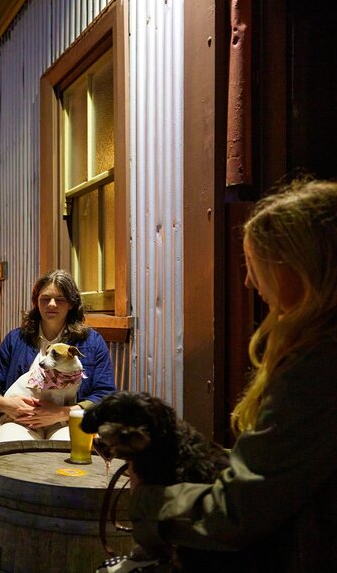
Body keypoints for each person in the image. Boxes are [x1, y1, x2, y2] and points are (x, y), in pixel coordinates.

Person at [127, 179, 337, 571]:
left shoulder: (317, 366)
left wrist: (147, 501)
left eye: (258, 265)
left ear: (302, 266)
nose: (248, 282)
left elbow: (242, 508)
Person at [0, 269, 116, 442]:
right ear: (36, 301)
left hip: (67, 421)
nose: (51, 304)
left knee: (67, 446)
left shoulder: (91, 343)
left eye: (60, 299)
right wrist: (6, 405)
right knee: (9, 445)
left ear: (72, 304)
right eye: (45, 299)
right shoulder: (16, 339)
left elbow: (105, 394)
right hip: (19, 421)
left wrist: (62, 413)